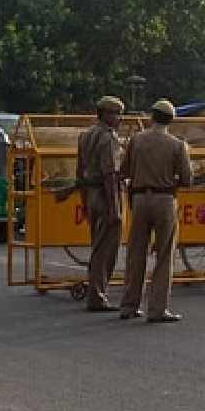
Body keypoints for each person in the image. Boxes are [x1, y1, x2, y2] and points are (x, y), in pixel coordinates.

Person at [119, 99, 193, 324]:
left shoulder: (136, 140)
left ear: (152, 117)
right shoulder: (177, 145)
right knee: (164, 255)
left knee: (136, 254)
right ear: (171, 120)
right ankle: (157, 309)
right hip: (165, 200)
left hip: (140, 199)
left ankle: (129, 306)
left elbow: (124, 171)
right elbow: (187, 179)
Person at [75, 95, 125, 312]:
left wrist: (84, 200)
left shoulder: (85, 135)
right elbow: (110, 175)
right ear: (105, 114)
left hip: (90, 193)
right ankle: (97, 295)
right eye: (116, 114)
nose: (119, 119)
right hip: (105, 196)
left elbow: (79, 171)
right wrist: (115, 208)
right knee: (106, 249)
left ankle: (95, 292)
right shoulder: (109, 138)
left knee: (96, 245)